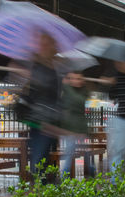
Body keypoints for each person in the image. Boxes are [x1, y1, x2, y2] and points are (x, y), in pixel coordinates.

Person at [26, 33, 61, 181]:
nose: (42, 46)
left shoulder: (53, 68)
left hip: (46, 122)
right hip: (37, 121)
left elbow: (52, 95)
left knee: (39, 162)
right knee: (39, 162)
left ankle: (50, 192)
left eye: (46, 43)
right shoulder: (37, 66)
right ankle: (51, 192)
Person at [59, 71, 90, 177]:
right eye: (72, 78)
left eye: (78, 78)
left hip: (80, 128)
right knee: (69, 154)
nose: (75, 81)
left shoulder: (83, 91)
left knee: (85, 154)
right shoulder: (66, 91)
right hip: (70, 129)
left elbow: (78, 101)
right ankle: (64, 178)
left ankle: (91, 173)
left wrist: (66, 87)